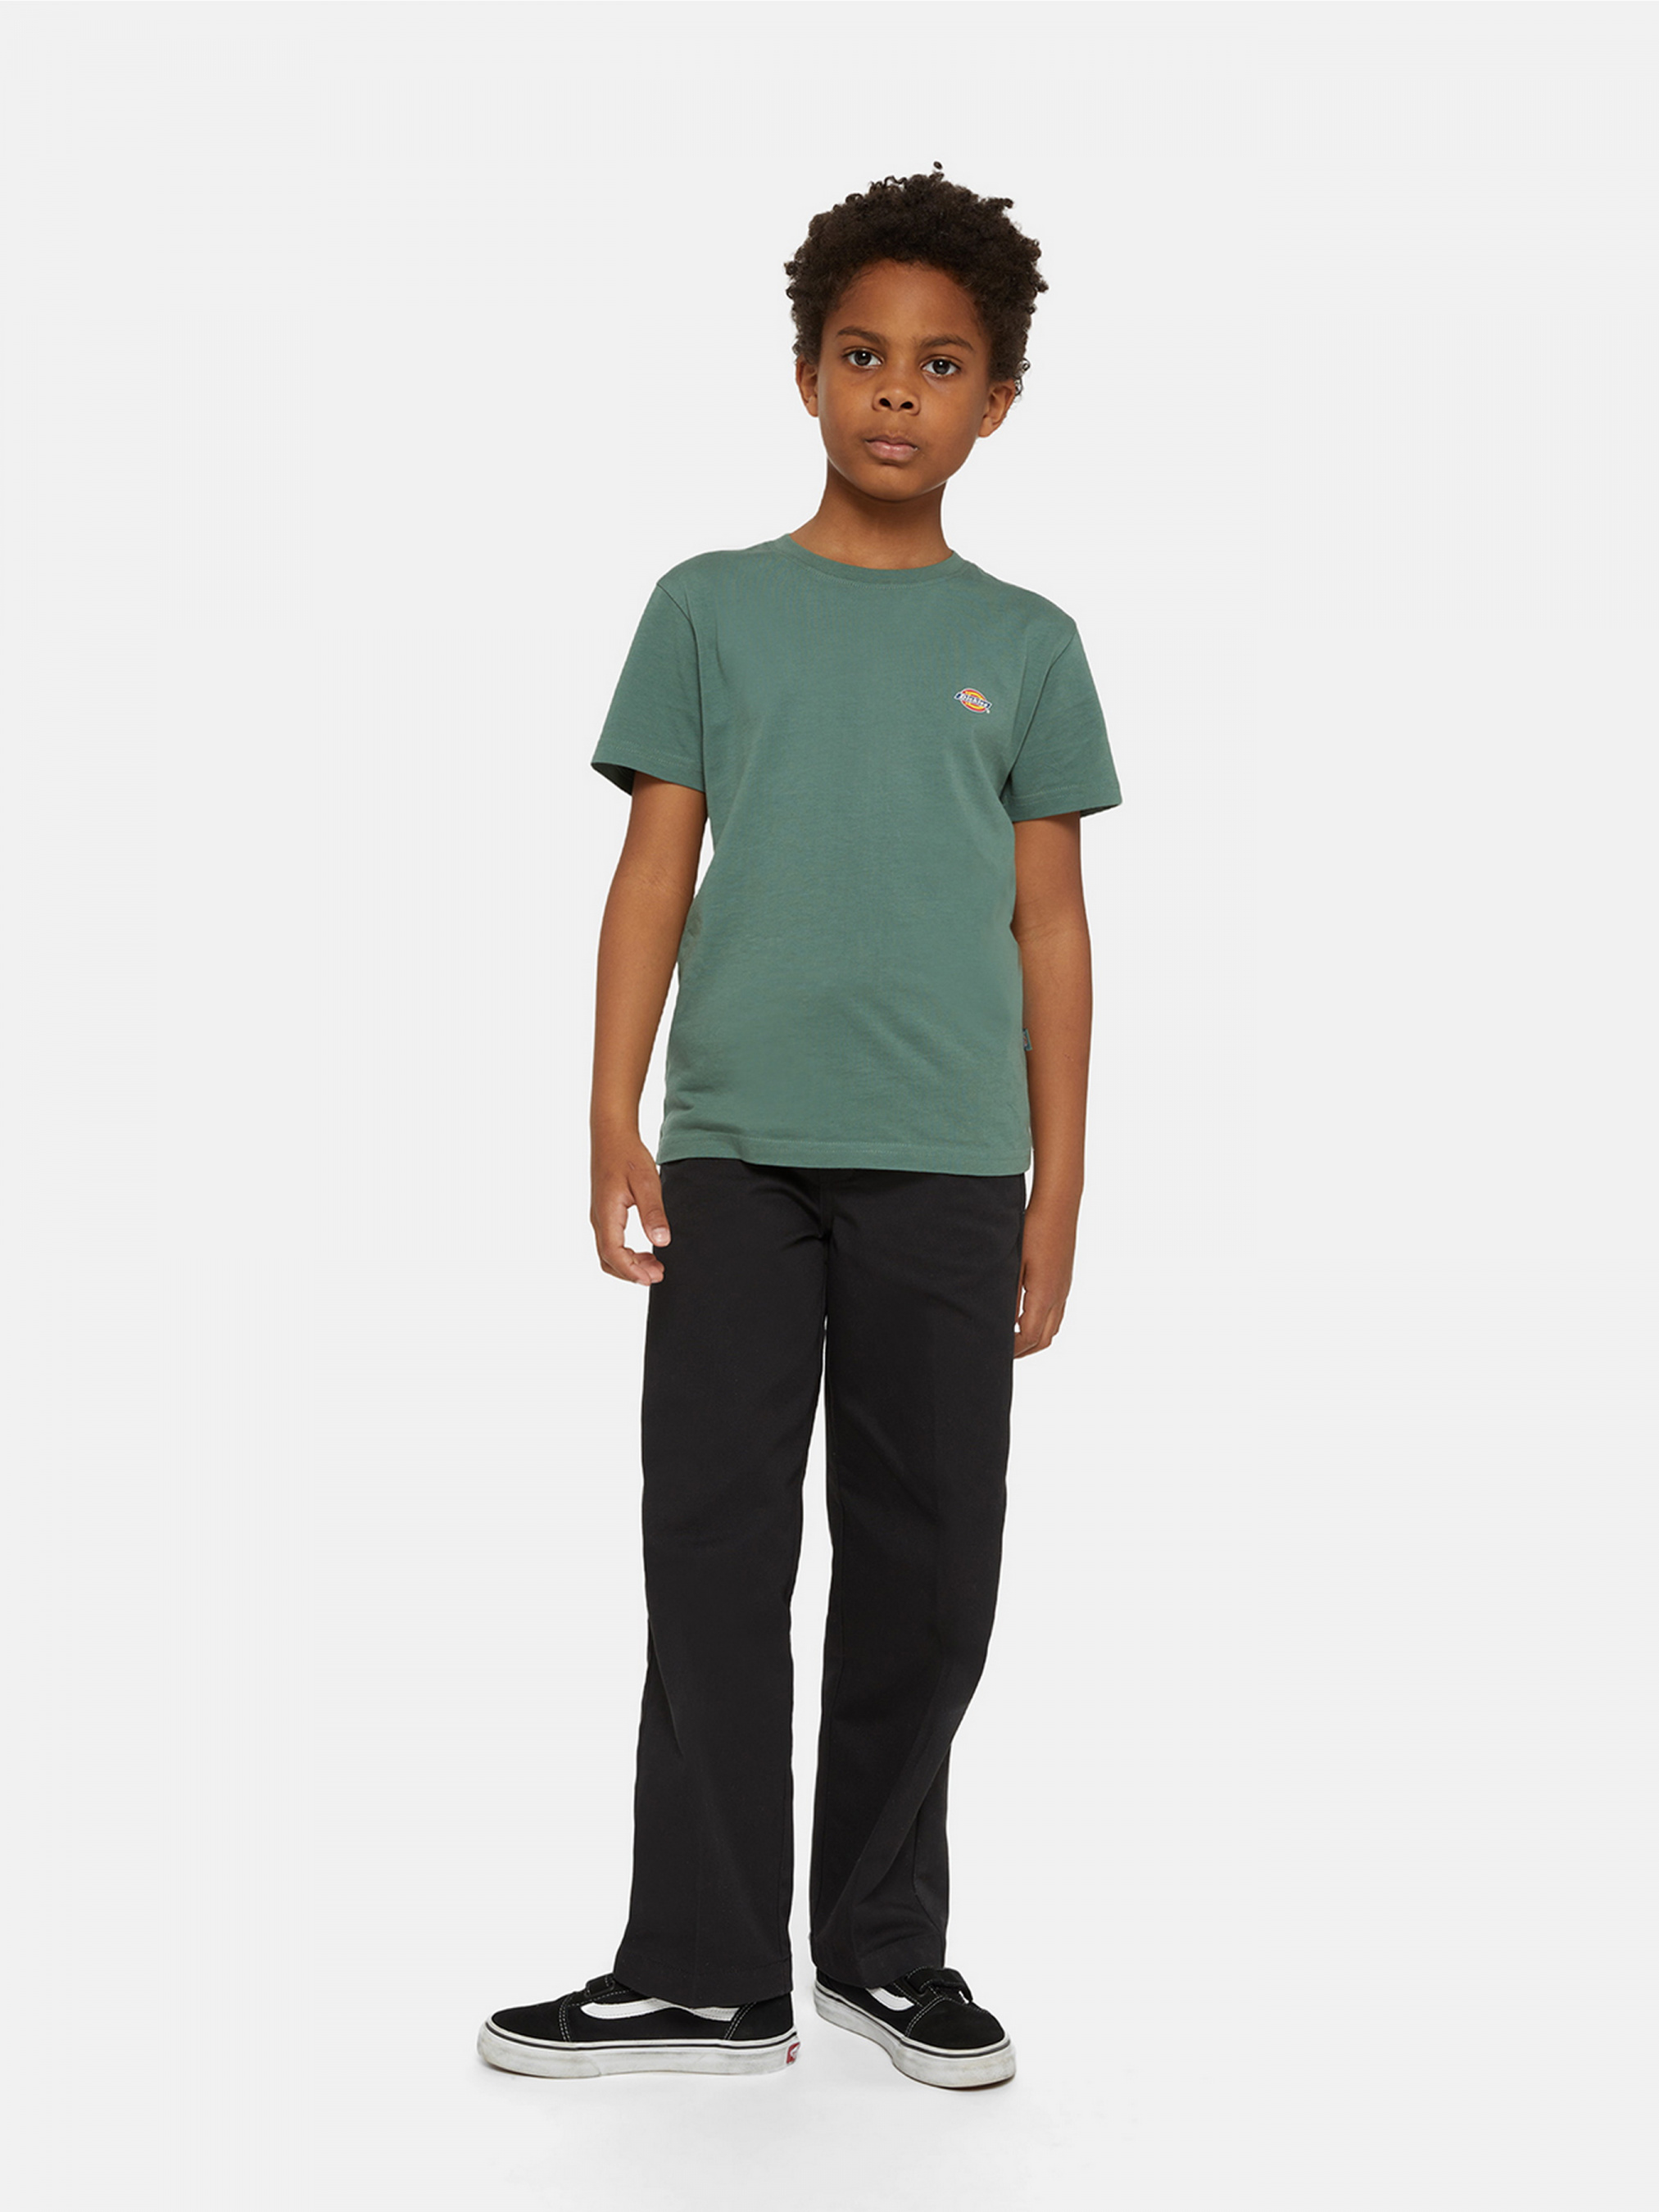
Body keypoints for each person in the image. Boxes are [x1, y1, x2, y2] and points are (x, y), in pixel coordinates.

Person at [478, 164, 1122, 2093]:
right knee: (710, 1544)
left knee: (928, 1559)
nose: (895, 392)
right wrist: (612, 1110)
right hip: (737, 1153)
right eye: (860, 355)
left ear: (997, 400)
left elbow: (1050, 925)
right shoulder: (707, 608)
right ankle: (700, 1967)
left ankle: (881, 1949)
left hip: (948, 1161)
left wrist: (1058, 1192)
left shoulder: (1027, 643)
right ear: (802, 373)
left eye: (940, 364)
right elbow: (651, 872)